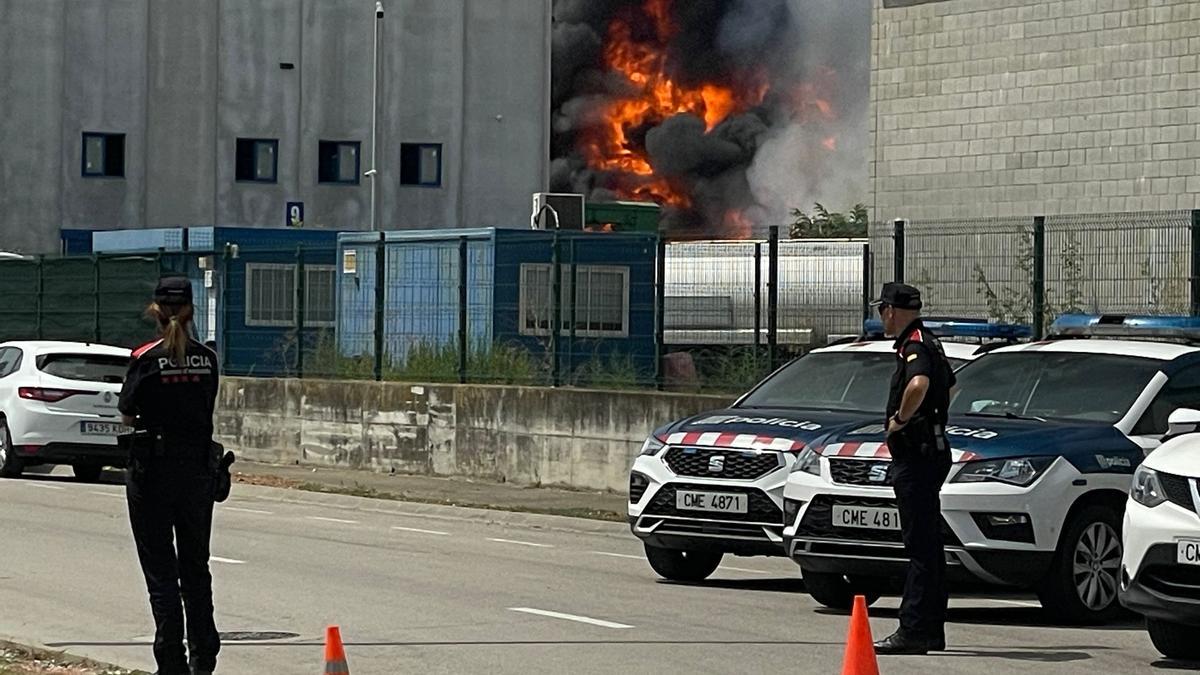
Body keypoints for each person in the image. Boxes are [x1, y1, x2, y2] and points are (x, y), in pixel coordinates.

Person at [119, 276, 221, 675]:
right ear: (192, 310)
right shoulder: (207, 358)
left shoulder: (145, 358)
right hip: (197, 472)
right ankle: (204, 656)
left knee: (161, 571)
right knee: (196, 567)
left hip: (153, 473)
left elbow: (127, 413)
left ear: (155, 311)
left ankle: (171, 660)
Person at [870, 282, 956, 655]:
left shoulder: (914, 344)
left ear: (891, 310)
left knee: (919, 546)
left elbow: (919, 383)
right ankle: (932, 628)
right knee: (930, 546)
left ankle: (914, 630)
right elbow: (950, 386)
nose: (882, 318)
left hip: (917, 455)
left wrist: (901, 420)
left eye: (882, 310)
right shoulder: (930, 340)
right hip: (932, 451)